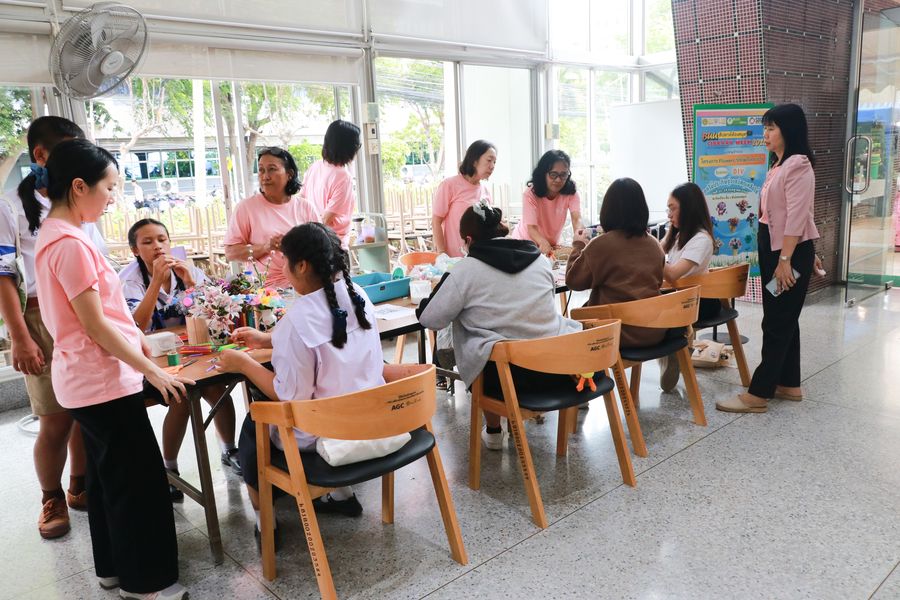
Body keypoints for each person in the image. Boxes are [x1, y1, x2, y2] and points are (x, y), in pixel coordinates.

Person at [35, 138, 191, 599]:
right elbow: (95, 325)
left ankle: (113, 569)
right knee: (137, 485)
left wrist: (140, 345)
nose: (111, 198)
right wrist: (152, 370)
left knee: (108, 483)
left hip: (86, 380)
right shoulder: (70, 244)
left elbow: (104, 315)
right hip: (101, 380)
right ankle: (146, 585)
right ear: (79, 187)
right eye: (108, 187)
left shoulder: (58, 235)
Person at [216, 222, 383, 541]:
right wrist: (270, 339)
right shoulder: (357, 296)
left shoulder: (298, 320)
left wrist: (243, 364)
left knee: (254, 422)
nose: (283, 269)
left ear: (302, 265)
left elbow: (289, 396)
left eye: (285, 261)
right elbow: (332, 338)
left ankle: (265, 521)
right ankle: (343, 496)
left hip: (326, 432)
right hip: (370, 419)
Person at [0, 116, 108, 539]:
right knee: (55, 418)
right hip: (38, 315)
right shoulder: (10, 206)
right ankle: (52, 498)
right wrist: (20, 337)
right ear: (41, 155)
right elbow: (3, 276)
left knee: (85, 410)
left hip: (85, 312)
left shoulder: (80, 197)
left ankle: (80, 485)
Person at [417, 202, 581, 449]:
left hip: (505, 381)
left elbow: (431, 319)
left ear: (468, 240)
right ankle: (499, 427)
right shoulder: (540, 261)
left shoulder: (466, 270)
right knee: (508, 333)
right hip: (554, 370)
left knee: (485, 339)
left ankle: (493, 430)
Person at [119, 218, 241, 498]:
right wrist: (155, 283)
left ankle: (230, 450)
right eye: (147, 242)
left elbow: (211, 314)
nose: (157, 246)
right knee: (182, 396)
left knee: (217, 388)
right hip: (149, 361)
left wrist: (189, 282)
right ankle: (169, 469)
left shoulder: (187, 270)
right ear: (135, 250)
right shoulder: (129, 281)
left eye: (162, 239)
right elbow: (136, 326)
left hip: (190, 352)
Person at [717, 103, 820, 414]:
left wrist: (788, 259)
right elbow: (795, 214)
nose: (765, 133)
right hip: (780, 250)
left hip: (784, 254)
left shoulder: (798, 165)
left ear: (788, 130)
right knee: (785, 318)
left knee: (776, 320)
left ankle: (758, 393)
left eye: (771, 128)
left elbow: (798, 215)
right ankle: (789, 384)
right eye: (765, 127)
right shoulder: (779, 164)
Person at [565, 177, 665, 348]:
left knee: (572, 321)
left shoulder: (601, 244)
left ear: (608, 209)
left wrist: (578, 245)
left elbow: (574, 281)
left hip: (617, 332)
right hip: (655, 329)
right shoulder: (654, 244)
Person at [224, 147, 319, 289]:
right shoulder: (246, 208)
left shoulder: (306, 207)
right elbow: (230, 253)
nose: (265, 176)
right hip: (265, 292)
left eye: (272, 169)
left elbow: (322, 247)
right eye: (261, 170)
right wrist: (265, 247)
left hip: (304, 286)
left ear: (289, 174)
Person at [658, 182, 717, 391]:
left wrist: (649, 252)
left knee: (651, 309)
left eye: (672, 208)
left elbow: (673, 274)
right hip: (680, 297)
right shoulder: (679, 235)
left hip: (699, 302)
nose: (669, 215)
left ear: (688, 208)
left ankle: (676, 348)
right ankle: (676, 348)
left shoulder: (701, 239)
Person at [301, 120, 361, 247]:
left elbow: (301, 202)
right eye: (357, 145)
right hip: (331, 244)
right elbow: (326, 219)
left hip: (311, 240)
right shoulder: (342, 176)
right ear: (349, 147)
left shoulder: (315, 167)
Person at [511, 149, 583, 256]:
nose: (558, 180)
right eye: (553, 174)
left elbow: (576, 219)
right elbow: (531, 228)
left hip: (550, 245)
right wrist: (543, 242)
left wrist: (579, 236)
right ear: (543, 173)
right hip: (525, 243)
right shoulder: (530, 194)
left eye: (563, 174)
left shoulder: (571, 192)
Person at [432, 140, 497, 258]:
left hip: (479, 258)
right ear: (474, 160)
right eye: (489, 160)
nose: (492, 166)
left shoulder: (486, 191)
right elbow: (436, 221)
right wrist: (441, 253)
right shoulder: (449, 185)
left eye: (494, 162)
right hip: (453, 259)